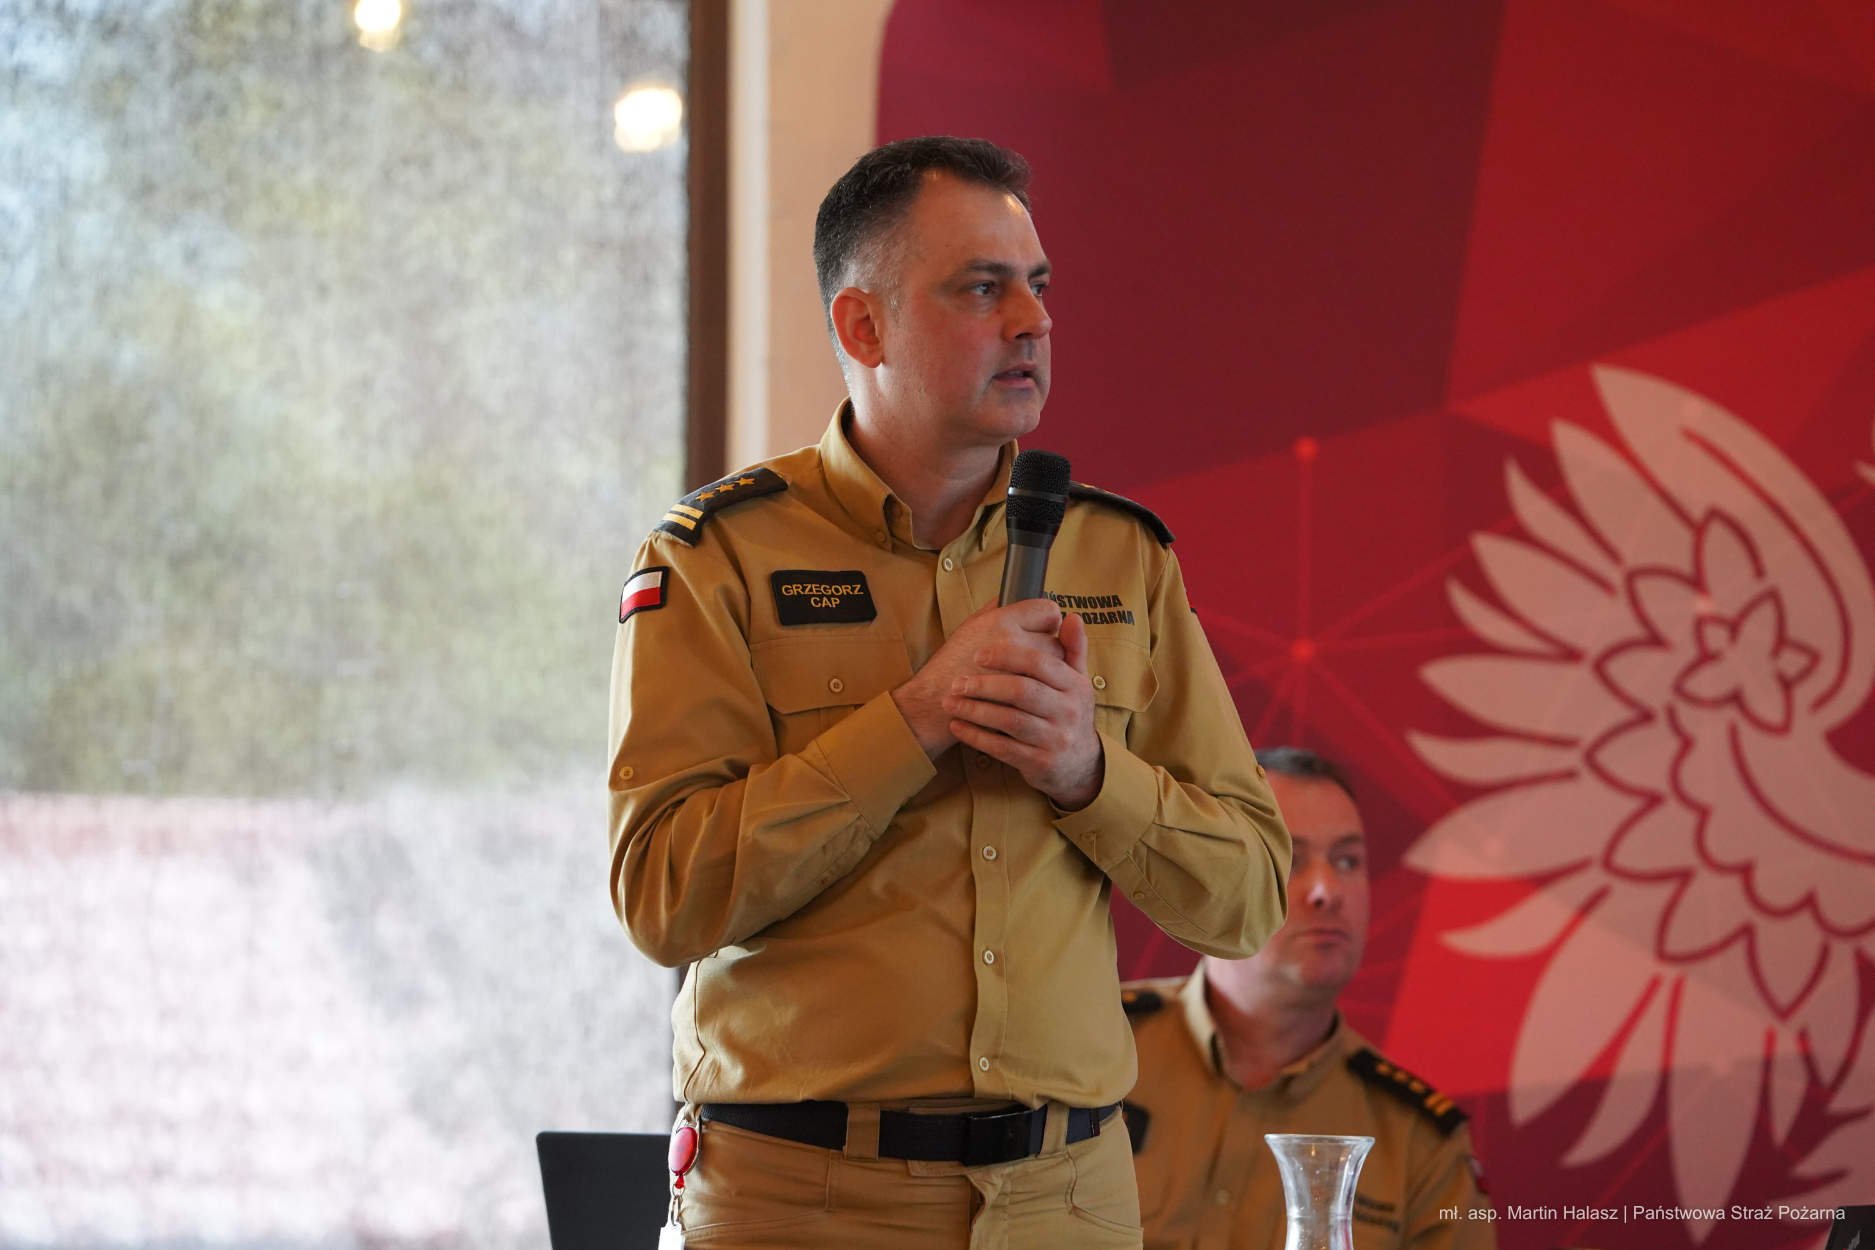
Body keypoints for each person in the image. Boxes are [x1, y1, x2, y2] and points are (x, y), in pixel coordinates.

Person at [606, 136, 1292, 1249]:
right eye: (982, 288)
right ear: (861, 327)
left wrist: (1088, 774)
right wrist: (916, 718)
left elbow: (1249, 899)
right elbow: (664, 896)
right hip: (799, 1200)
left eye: (1038, 285)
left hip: (1066, 1201)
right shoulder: (715, 556)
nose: (1033, 321)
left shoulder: (1122, 556)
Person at [1121, 747, 1496, 1250]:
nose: (1327, 890)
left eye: (1347, 860)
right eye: (1289, 858)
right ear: (1211, 875)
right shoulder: (1095, 1043)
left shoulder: (1417, 1140)